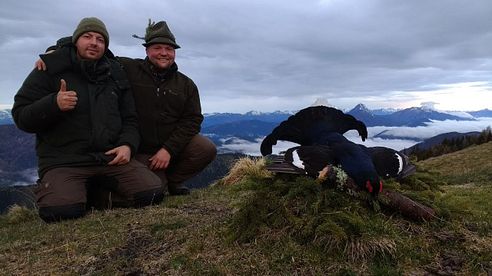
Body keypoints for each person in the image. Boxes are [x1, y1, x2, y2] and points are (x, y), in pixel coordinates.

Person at [37, 20, 217, 196]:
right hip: (137, 151)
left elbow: (192, 120)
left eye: (169, 49)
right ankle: (100, 194)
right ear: (147, 50)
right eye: (157, 48)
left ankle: (174, 182)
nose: (164, 53)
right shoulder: (126, 68)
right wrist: (56, 50)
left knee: (205, 148)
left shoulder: (186, 84)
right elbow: (95, 48)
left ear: (174, 52)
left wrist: (168, 150)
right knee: (153, 191)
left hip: (169, 148)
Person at [13, 17, 164, 223]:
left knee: (152, 194)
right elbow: (21, 116)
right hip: (64, 160)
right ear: (76, 40)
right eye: (87, 36)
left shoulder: (115, 73)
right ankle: (69, 192)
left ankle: (94, 195)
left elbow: (130, 118)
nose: (94, 42)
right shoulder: (49, 69)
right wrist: (53, 104)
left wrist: (127, 145)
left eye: (100, 39)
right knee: (61, 212)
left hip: (108, 157)